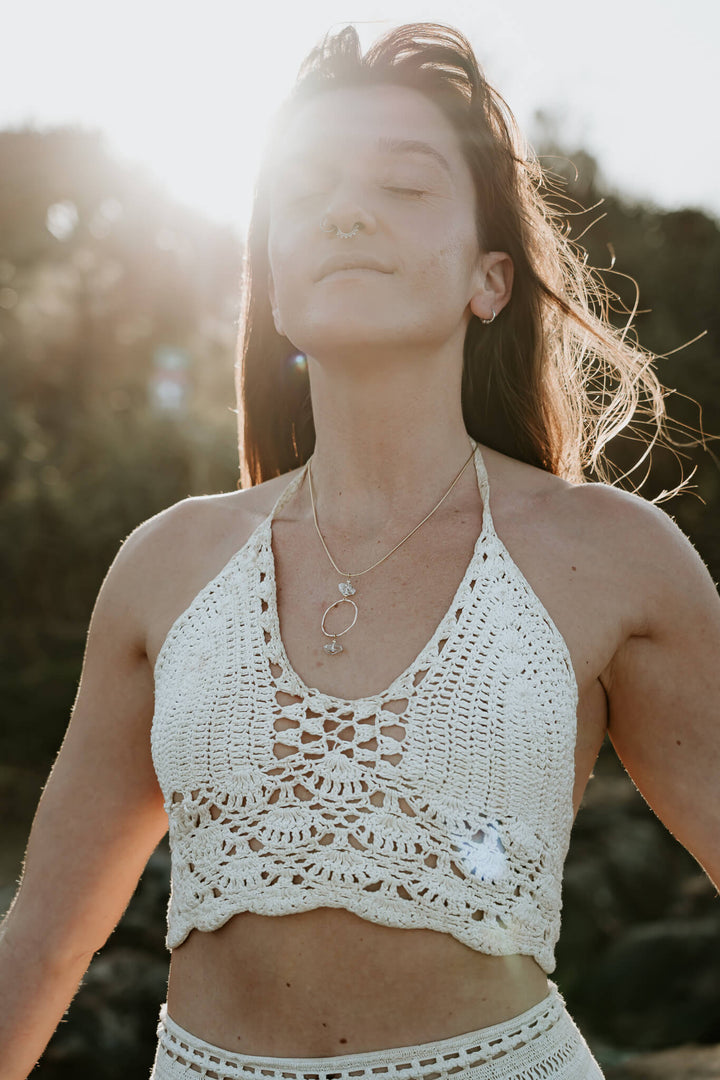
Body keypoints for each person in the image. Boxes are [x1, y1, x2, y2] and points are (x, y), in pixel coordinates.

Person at [1, 21, 718, 1080]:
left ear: (490, 280)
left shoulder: (614, 557)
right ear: (275, 277)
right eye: (307, 190)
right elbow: (43, 941)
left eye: (405, 185)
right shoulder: (167, 565)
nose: (346, 210)